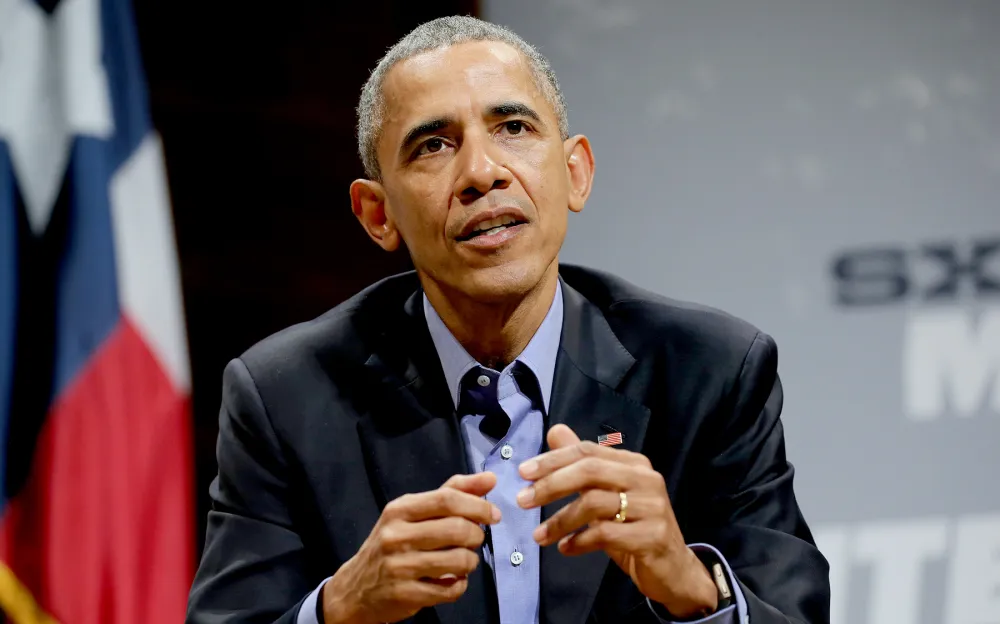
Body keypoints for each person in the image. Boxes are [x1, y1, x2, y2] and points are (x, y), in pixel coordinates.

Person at [186, 15, 830, 624]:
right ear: (377, 215)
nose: (481, 173)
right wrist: (340, 607)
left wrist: (687, 583)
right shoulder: (284, 397)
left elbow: (791, 609)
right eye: (433, 145)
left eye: (513, 128)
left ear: (575, 172)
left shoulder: (709, 369)